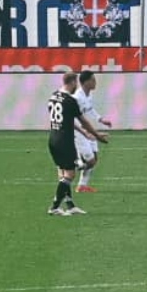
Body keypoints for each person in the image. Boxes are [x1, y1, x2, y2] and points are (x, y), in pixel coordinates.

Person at [45, 70, 103, 215]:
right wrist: (96, 135)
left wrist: (84, 133)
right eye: (75, 82)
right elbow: (83, 121)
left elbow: (67, 120)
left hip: (53, 138)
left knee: (63, 174)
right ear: (72, 82)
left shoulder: (53, 96)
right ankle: (54, 207)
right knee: (69, 175)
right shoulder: (70, 101)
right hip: (65, 141)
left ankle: (70, 206)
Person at [72, 70, 105, 194]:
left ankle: (82, 186)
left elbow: (90, 109)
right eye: (93, 80)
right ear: (85, 82)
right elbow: (72, 116)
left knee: (95, 159)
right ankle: (75, 164)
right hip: (79, 132)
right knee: (90, 161)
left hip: (88, 130)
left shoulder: (88, 95)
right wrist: (82, 130)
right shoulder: (76, 98)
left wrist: (101, 119)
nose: (95, 82)